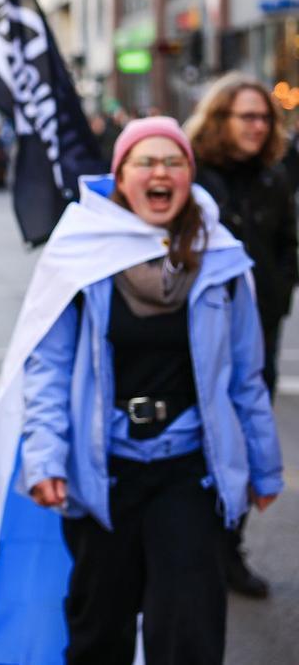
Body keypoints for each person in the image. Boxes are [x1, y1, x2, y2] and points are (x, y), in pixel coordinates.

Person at [21, 118, 282, 663]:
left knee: (188, 635)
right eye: (146, 161)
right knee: (99, 633)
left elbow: (245, 378)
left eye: (174, 162)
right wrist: (45, 458)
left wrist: (264, 468)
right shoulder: (80, 254)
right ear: (120, 176)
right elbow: (47, 369)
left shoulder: (224, 260)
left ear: (190, 175)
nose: (160, 172)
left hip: (189, 468)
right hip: (104, 471)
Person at [184, 73, 296, 599]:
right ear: (219, 117)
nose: (259, 126)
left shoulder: (275, 177)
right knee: (202, 439)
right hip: (201, 333)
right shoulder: (196, 177)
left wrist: (277, 291)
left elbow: (286, 245)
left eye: (265, 117)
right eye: (247, 116)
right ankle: (198, 545)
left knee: (250, 440)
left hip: (261, 334)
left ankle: (230, 549)